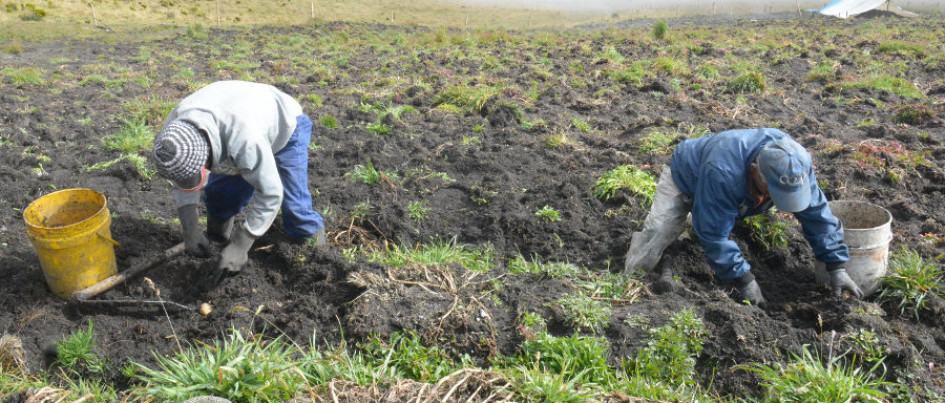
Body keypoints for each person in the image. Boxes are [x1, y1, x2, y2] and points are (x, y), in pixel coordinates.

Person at [623, 128, 863, 305]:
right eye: (773, 192)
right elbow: (714, 236)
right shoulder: (723, 172)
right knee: (659, 232)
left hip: (726, 187)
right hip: (686, 174)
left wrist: (836, 267)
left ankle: (701, 216)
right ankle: (631, 281)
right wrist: (744, 281)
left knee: (712, 216)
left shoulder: (794, 164)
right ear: (754, 170)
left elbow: (817, 215)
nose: (775, 199)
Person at [152, 80, 325, 273]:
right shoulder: (173, 139)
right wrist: (190, 230)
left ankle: (318, 260)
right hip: (237, 115)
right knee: (222, 196)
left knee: (295, 210)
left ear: (206, 160)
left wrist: (241, 244)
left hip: (285, 124)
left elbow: (271, 193)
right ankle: (217, 239)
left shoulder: (245, 142)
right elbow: (184, 178)